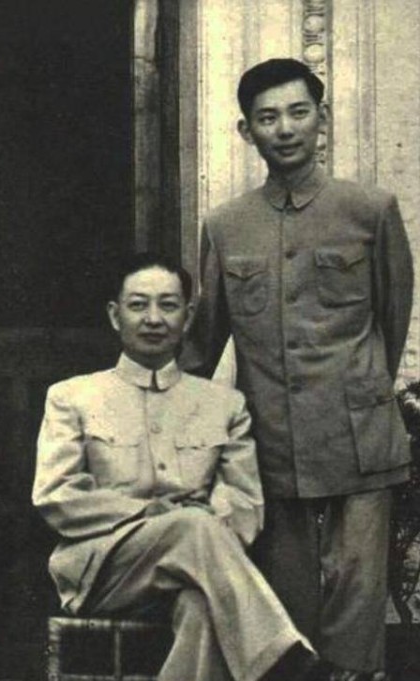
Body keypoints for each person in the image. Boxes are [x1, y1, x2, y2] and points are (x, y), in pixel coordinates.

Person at [181, 58, 414, 681]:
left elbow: (392, 321)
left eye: (297, 112)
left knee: (357, 606)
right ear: (246, 130)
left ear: (322, 119)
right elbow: (203, 344)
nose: (284, 129)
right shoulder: (225, 226)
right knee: (285, 613)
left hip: (359, 435)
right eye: (267, 118)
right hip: (271, 442)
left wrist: (363, 392)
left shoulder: (370, 210)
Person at [32, 252, 333, 681]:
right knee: (192, 526)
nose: (154, 318)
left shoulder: (223, 405)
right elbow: (57, 494)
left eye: (168, 305)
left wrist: (206, 526)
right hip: (105, 570)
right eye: (139, 305)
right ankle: (281, 659)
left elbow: (244, 503)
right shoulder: (73, 397)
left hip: (202, 565)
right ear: (115, 316)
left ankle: (272, 660)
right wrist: (150, 514)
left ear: (188, 317)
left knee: (202, 606)